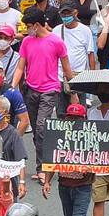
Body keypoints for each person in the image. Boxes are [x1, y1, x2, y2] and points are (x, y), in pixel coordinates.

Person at [12, 11, 74, 179]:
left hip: (50, 90)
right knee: (36, 131)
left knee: (41, 128)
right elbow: (20, 67)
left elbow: (67, 68)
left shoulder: (56, 42)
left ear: (37, 25)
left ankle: (45, 168)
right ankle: (41, 166)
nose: (27, 30)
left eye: (29, 26)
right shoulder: (26, 41)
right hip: (30, 90)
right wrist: (12, 86)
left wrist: (74, 91)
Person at [40, 103, 97, 216]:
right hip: (64, 185)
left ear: (83, 120)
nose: (73, 121)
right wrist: (47, 181)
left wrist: (90, 168)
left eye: (76, 118)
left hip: (82, 186)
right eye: (70, 118)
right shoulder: (58, 137)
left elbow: (100, 162)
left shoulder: (91, 138)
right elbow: (52, 161)